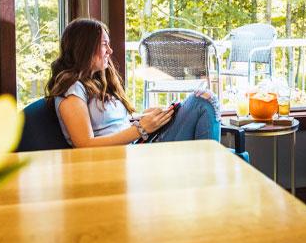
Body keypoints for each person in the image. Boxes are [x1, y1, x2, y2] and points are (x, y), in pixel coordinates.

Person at [45, 18, 220, 147]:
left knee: (203, 98)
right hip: (128, 155)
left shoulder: (94, 81)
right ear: (84, 47)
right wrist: (141, 129)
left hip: (138, 143)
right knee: (203, 102)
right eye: (104, 44)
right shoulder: (72, 90)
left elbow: (112, 126)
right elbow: (85, 144)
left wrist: (144, 118)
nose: (110, 50)